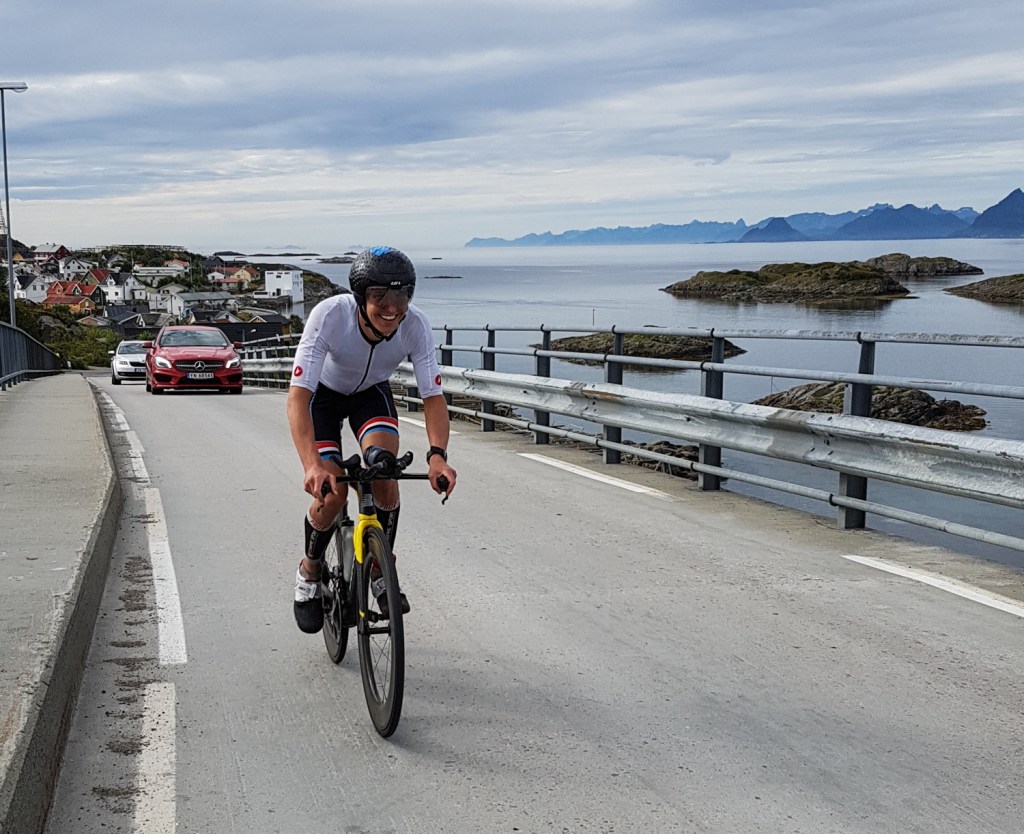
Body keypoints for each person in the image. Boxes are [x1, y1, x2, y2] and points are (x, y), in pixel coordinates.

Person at [286, 246, 457, 634]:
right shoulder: (329, 316)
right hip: (323, 398)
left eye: (399, 297)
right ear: (361, 298)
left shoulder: (416, 325)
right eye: (379, 296)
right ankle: (309, 571)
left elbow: (433, 397)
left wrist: (437, 457)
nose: (390, 308)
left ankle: (381, 568)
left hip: (370, 394)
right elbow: (297, 397)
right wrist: (312, 466)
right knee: (332, 495)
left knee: (384, 474)